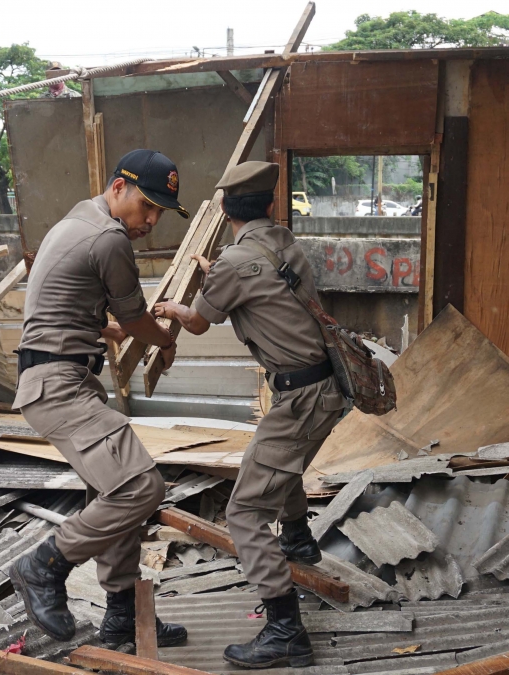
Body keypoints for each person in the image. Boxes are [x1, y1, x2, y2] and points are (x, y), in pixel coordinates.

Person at [155, 161, 346, 669]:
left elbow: (197, 323)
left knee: (242, 512)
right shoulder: (284, 243)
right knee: (277, 460)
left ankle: (286, 631)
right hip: (323, 387)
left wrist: (171, 308)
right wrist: (217, 267)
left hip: (300, 397)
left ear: (222, 208)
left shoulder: (233, 264)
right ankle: (299, 539)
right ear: (269, 205)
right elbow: (256, 277)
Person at [9, 149, 190, 647]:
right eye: (146, 206)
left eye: (160, 212)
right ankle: (43, 565)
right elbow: (137, 322)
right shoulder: (109, 238)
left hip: (59, 379)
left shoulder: (75, 221)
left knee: (118, 497)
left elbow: (63, 303)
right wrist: (167, 339)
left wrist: (102, 328)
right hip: (58, 386)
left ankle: (122, 618)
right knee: (142, 488)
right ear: (118, 189)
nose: (151, 221)